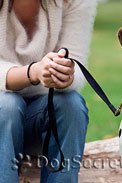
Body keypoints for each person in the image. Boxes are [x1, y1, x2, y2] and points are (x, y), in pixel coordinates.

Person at [0, 0, 96, 182]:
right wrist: (33, 72)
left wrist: (64, 75)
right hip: (4, 116)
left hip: (44, 115)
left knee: (71, 104)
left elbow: (76, 64)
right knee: (7, 104)